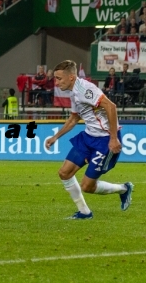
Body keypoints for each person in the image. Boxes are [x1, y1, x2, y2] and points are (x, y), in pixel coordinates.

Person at [45, 60, 133, 220]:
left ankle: (123, 189)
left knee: (88, 186)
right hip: (88, 137)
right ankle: (84, 213)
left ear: (71, 77)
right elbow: (73, 119)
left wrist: (113, 138)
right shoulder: (72, 92)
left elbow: (111, 107)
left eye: (59, 78)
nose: (56, 82)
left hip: (104, 140)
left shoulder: (85, 89)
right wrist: (55, 137)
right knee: (64, 173)